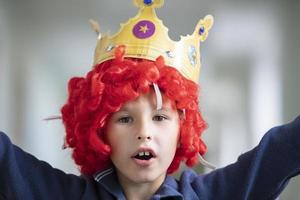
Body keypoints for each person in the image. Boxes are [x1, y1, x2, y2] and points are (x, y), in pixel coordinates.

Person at [0, 0, 299, 199]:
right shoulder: (65, 194)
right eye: (125, 118)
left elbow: (280, 150)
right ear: (99, 131)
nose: (144, 131)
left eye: (159, 117)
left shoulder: (212, 194)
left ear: (183, 129)